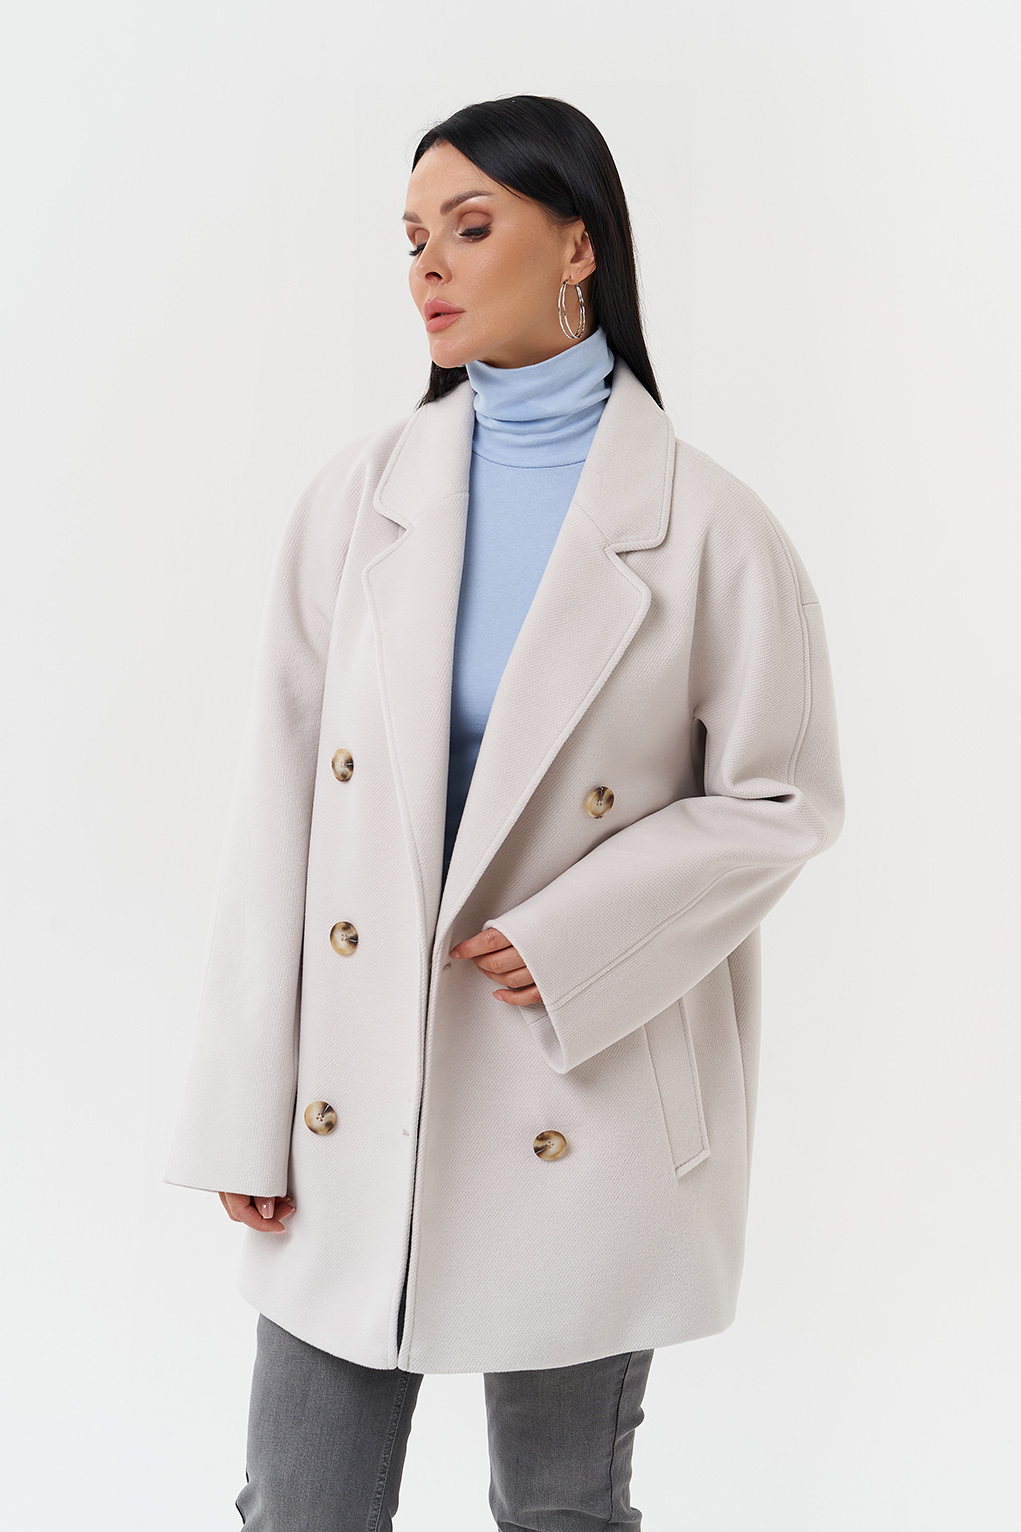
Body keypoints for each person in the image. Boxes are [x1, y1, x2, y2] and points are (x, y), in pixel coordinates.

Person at [164, 94, 845, 1530]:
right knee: (299, 1505)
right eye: (413, 237)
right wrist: (241, 1109)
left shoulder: (712, 526)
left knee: (559, 1510)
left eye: (470, 228)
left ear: (578, 245)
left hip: (577, 1083)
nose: (429, 265)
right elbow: (277, 808)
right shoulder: (355, 502)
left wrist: (581, 936)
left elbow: (784, 798)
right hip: (353, 1093)